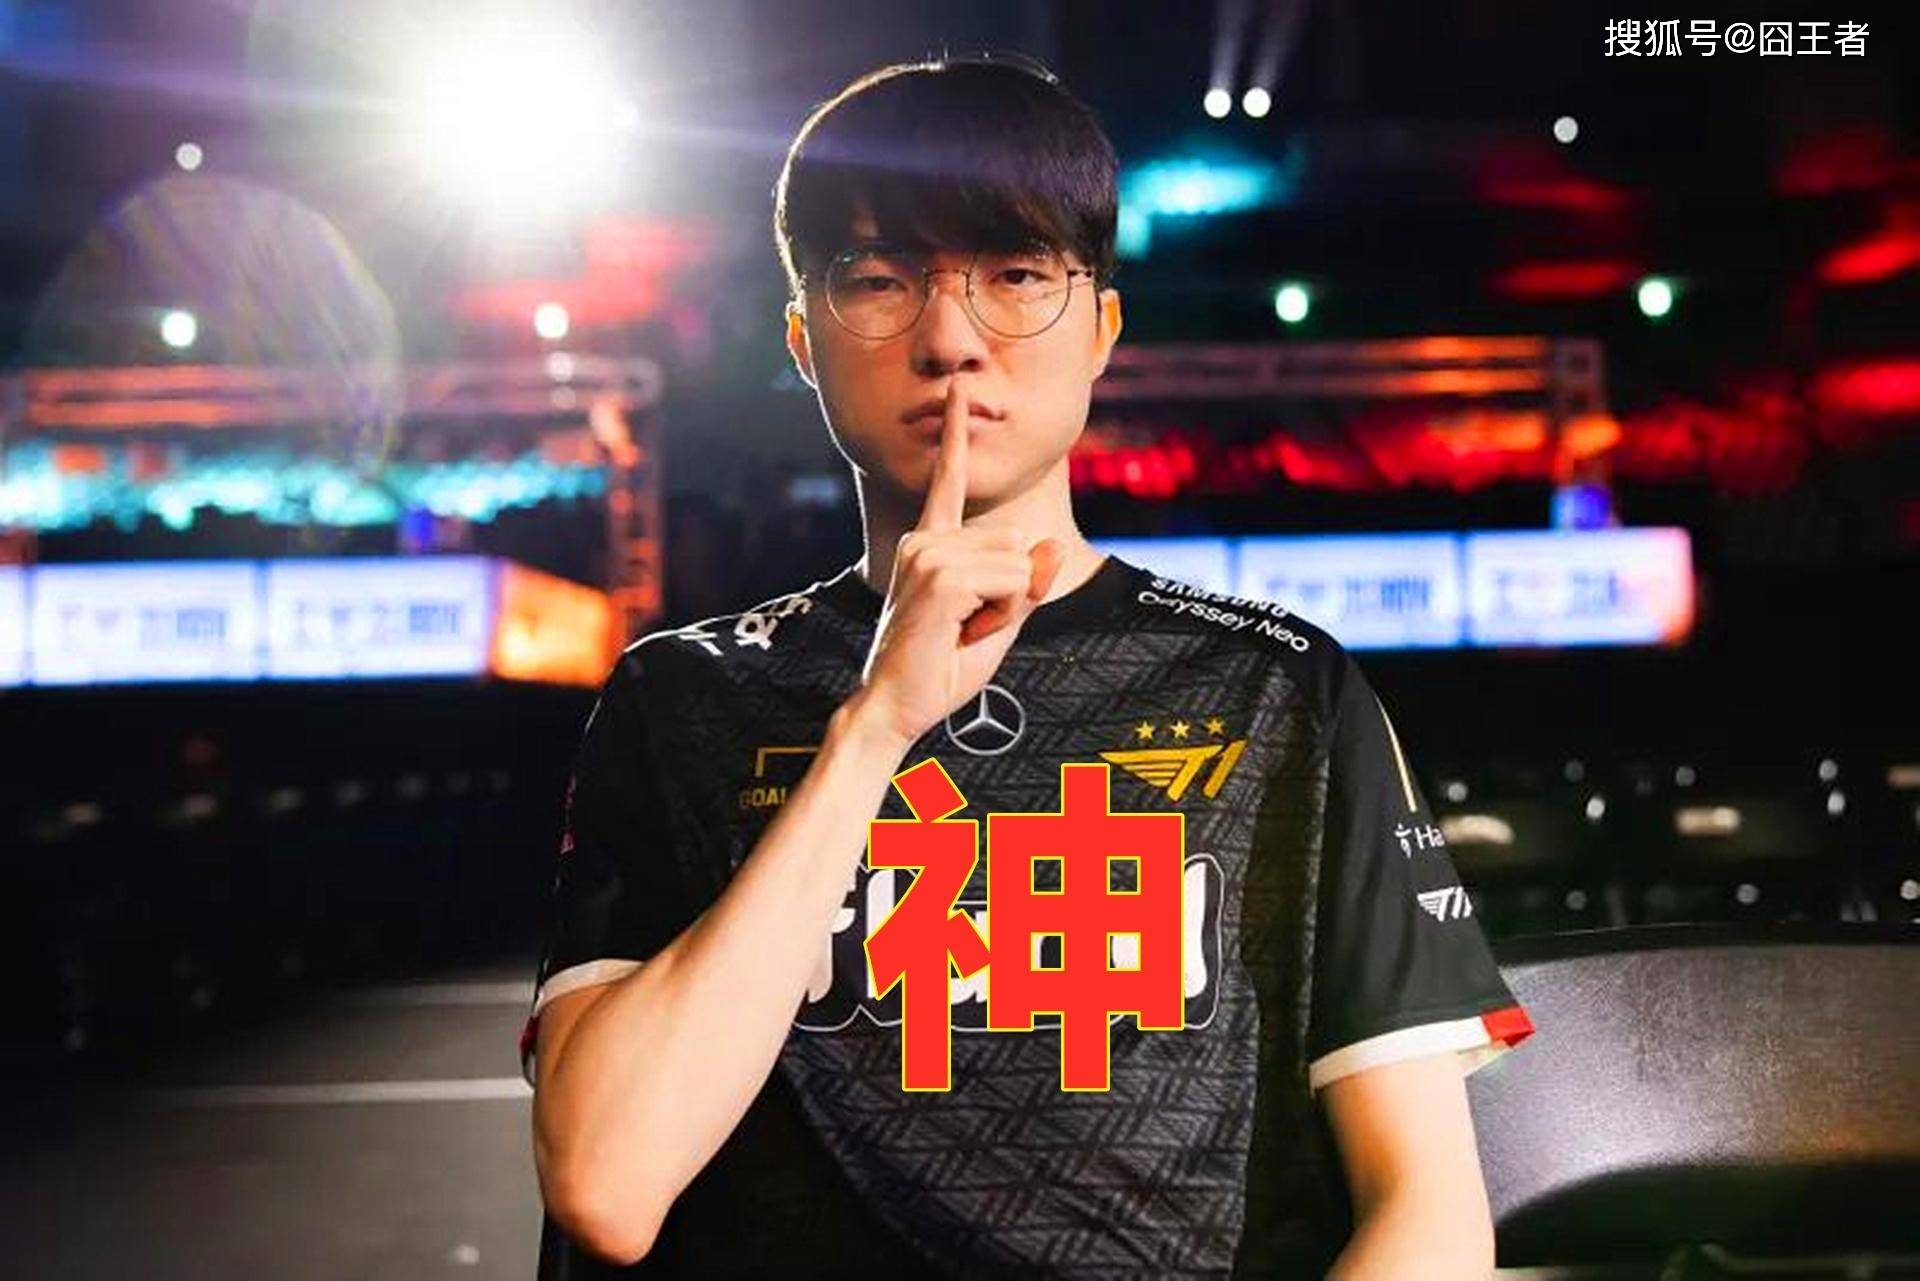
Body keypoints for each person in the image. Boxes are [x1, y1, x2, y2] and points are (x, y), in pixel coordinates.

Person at [522, 54, 1534, 1279]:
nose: (951, 340)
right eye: (879, 280)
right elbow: (606, 1183)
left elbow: (1430, 1216)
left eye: (1015, 276)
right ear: (802, 338)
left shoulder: (1280, 693)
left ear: (1102, 327)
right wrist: (875, 728)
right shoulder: (683, 697)